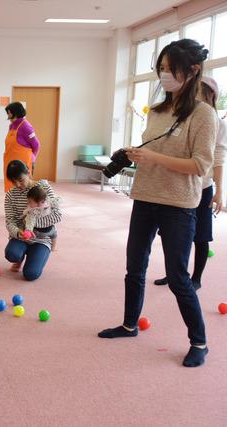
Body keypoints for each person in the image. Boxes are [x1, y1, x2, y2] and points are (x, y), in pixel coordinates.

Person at [98, 39, 216, 368]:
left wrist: (155, 157)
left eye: (170, 69)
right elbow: (157, 152)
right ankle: (129, 324)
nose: (164, 75)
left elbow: (200, 165)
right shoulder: (159, 111)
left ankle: (199, 342)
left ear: (192, 71)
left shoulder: (205, 116)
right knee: (134, 268)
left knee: (178, 277)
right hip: (145, 198)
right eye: (161, 69)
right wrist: (136, 154)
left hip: (179, 205)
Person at [153, 75, 225, 290]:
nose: (192, 96)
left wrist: (219, 191)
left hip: (201, 188)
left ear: (210, 95)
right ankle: (174, 273)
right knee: (171, 234)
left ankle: (196, 278)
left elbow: (219, 158)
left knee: (200, 235)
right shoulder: (183, 117)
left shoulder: (217, 123)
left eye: (197, 91)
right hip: (176, 187)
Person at [4, 160, 62, 280]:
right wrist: (19, 233)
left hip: (42, 238)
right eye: (13, 182)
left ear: (28, 172)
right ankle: (19, 258)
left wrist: (31, 223)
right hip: (22, 236)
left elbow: (57, 214)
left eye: (20, 180)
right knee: (12, 254)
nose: (18, 185)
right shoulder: (10, 195)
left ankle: (35, 255)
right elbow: (10, 220)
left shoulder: (43, 188)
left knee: (31, 274)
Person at [3, 102, 40, 192]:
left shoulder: (26, 126)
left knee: (24, 188)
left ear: (13, 113)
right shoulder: (12, 126)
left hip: (23, 164)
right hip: (10, 163)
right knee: (11, 190)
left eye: (8, 112)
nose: (7, 115)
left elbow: (36, 144)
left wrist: (33, 158)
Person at [22, 185, 59, 251]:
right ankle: (53, 248)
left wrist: (28, 230)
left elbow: (30, 221)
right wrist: (59, 200)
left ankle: (31, 245)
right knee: (54, 235)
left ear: (38, 203)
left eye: (30, 201)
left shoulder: (33, 210)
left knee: (32, 237)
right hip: (50, 230)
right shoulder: (48, 202)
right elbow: (56, 200)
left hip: (38, 233)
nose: (28, 203)